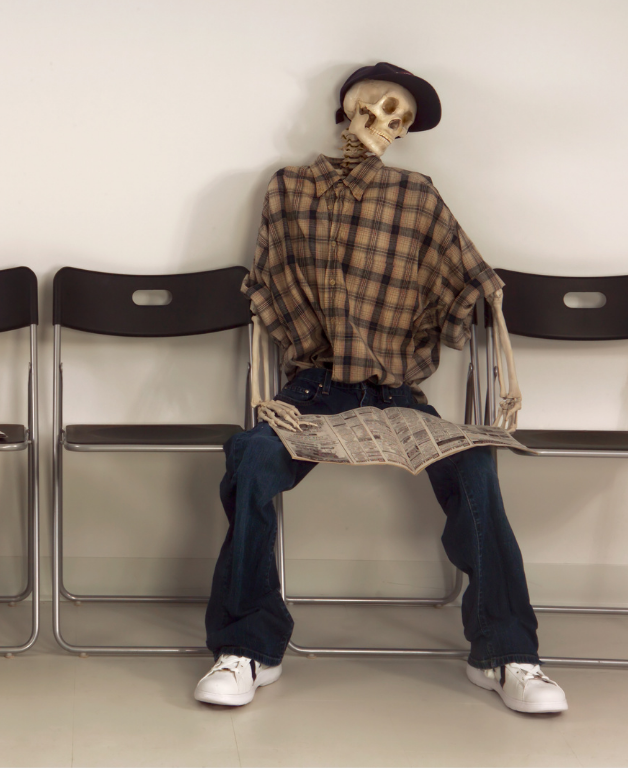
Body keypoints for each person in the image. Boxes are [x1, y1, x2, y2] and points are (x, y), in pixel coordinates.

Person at [194, 62, 567, 714]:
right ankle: (248, 646)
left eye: (404, 120)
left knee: (473, 459)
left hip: (395, 392)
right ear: (348, 105)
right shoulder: (288, 189)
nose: (389, 125)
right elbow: (271, 280)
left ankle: (508, 651)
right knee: (252, 455)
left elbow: (469, 273)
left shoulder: (417, 197)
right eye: (381, 107)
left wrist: (489, 297)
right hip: (311, 390)